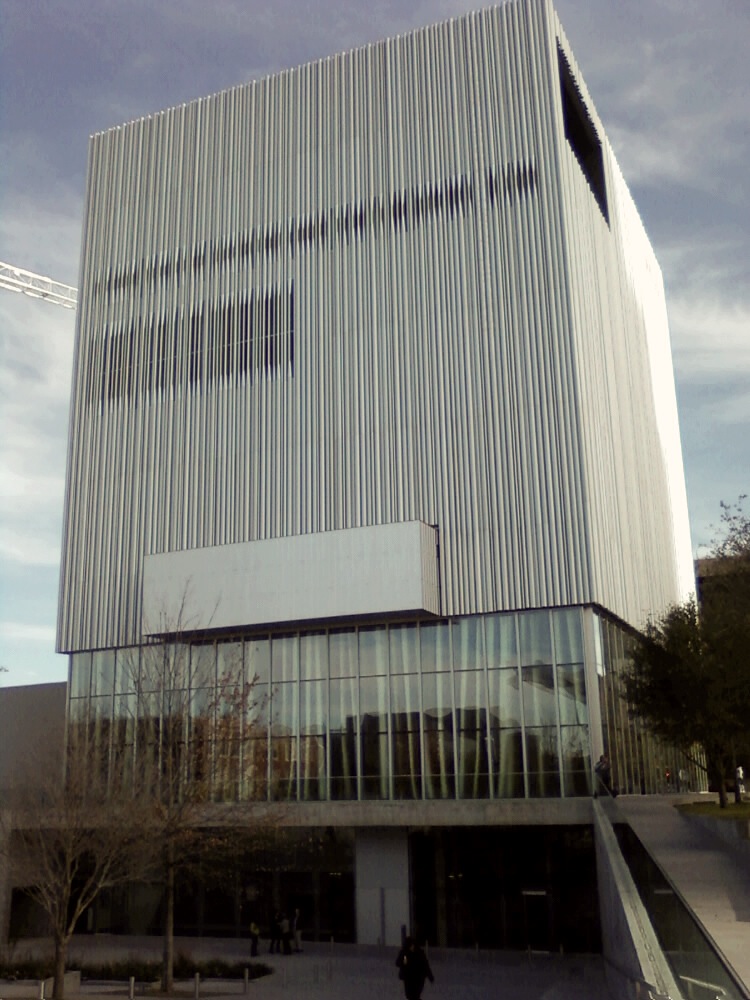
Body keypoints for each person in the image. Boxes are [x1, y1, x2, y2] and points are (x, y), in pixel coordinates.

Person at [395, 936, 434, 1000]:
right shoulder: (405, 953)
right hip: (408, 978)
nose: (412, 947)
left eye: (412, 945)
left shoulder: (419, 953)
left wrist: (430, 976)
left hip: (418, 978)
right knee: (410, 996)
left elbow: (425, 965)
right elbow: (398, 963)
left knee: (415, 995)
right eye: (410, 945)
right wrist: (404, 961)